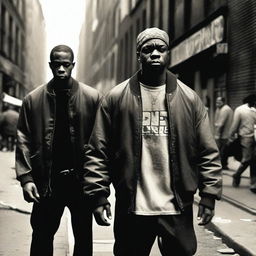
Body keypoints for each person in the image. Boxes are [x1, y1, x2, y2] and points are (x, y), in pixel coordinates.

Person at [83, 28, 222, 256]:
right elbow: (98, 151)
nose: (155, 54)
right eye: (148, 50)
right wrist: (99, 195)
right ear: (138, 55)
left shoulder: (189, 99)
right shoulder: (116, 98)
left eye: (161, 49)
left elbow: (207, 151)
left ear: (169, 53)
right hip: (133, 208)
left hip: (177, 208)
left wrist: (209, 195)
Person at [15, 45, 100, 256]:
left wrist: (98, 186)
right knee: (42, 236)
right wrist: (26, 178)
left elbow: (100, 143)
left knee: (83, 238)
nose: (61, 69)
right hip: (47, 183)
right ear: (50, 65)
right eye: (57, 64)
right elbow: (23, 139)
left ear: (73, 65)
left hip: (81, 183)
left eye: (66, 64)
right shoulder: (33, 100)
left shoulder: (92, 98)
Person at [230, 94, 256, 192]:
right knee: (247, 159)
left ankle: (253, 184)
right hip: (246, 137)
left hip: (255, 136)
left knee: (254, 160)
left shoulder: (254, 109)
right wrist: (231, 136)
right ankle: (237, 175)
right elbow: (235, 124)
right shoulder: (240, 110)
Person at [214, 96, 233, 169]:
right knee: (224, 150)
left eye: (219, 102)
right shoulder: (222, 108)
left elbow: (221, 124)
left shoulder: (224, 110)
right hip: (226, 134)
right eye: (216, 102)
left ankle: (222, 165)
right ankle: (224, 164)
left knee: (222, 150)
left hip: (223, 134)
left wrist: (217, 135)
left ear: (223, 102)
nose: (217, 104)